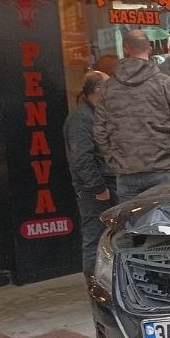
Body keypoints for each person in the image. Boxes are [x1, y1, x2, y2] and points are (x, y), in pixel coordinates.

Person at [94, 30, 170, 202]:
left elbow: (100, 131)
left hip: (126, 173)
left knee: (132, 226)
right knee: (167, 226)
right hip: (164, 170)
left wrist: (116, 163)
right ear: (150, 49)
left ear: (125, 49)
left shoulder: (108, 88)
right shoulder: (167, 84)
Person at [66, 71, 113, 279]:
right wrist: (98, 188)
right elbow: (81, 159)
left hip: (105, 184)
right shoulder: (80, 119)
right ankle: (94, 283)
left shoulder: (97, 114)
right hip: (94, 191)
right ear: (98, 90)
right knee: (94, 238)